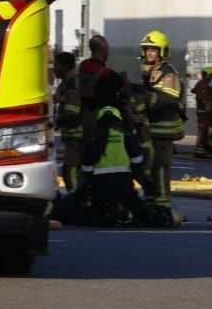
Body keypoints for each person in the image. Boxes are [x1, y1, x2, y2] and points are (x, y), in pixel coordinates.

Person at [54, 69, 151, 227]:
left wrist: (88, 183)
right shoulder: (124, 136)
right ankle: (143, 216)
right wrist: (143, 179)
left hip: (98, 187)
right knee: (138, 207)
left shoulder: (95, 139)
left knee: (89, 208)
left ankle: (93, 213)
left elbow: (86, 165)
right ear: (119, 120)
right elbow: (137, 160)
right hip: (123, 186)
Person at [137, 30, 184, 213]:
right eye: (147, 49)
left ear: (162, 51)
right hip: (150, 128)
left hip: (164, 129)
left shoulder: (168, 72)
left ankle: (162, 204)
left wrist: (145, 97)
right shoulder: (147, 71)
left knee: (160, 166)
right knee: (147, 166)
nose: (149, 53)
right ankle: (150, 199)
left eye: (154, 50)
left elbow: (170, 100)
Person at [51, 51, 83, 193]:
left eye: (56, 65)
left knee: (71, 173)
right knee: (70, 172)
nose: (54, 69)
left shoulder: (73, 83)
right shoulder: (67, 83)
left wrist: (58, 121)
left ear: (65, 67)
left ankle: (77, 203)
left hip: (76, 137)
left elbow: (73, 111)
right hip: (72, 137)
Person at [191, 66, 212, 157]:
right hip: (203, 113)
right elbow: (203, 98)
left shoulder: (208, 84)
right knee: (203, 131)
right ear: (208, 75)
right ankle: (199, 152)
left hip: (209, 113)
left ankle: (208, 144)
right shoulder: (201, 84)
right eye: (211, 75)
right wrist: (207, 106)